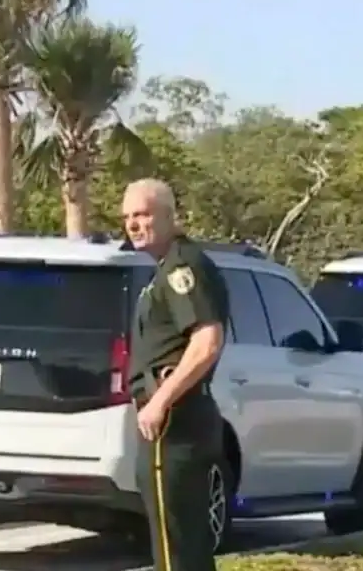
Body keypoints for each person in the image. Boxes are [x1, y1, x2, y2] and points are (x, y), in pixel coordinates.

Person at [121, 178, 230, 571]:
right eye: (128, 217)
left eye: (143, 214)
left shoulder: (181, 267)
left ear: (169, 216)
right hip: (175, 417)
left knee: (174, 549)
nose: (133, 224)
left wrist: (160, 402)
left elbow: (207, 341)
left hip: (173, 420)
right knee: (183, 543)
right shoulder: (166, 268)